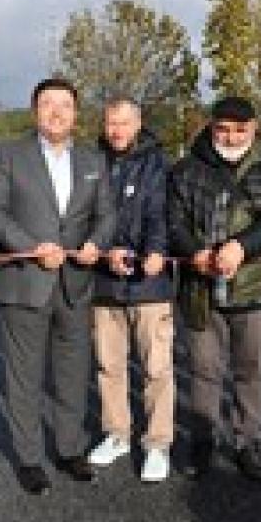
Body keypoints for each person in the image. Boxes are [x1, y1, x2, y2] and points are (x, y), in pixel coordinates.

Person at [0, 78, 116, 495]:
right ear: (35, 110)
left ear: (76, 113)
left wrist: (96, 243)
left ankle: (69, 449)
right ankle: (28, 458)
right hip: (26, 282)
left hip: (75, 284)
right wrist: (29, 246)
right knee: (24, 376)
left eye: (65, 105)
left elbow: (106, 215)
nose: (56, 112)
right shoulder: (9, 155)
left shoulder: (93, 160)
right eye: (47, 104)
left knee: (73, 373)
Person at [168, 97, 261, 481]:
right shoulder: (186, 169)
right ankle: (203, 439)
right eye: (223, 128)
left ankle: (248, 440)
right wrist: (195, 251)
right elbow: (174, 221)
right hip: (201, 287)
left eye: (241, 129)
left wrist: (243, 245)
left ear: (254, 128)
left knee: (252, 369)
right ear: (211, 126)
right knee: (204, 369)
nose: (232, 136)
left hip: (255, 286)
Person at [86, 98, 175, 483]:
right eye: (111, 123)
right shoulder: (92, 163)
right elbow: (85, 216)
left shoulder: (157, 164)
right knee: (109, 366)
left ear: (138, 124)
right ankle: (117, 433)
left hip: (149, 283)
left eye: (124, 123)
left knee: (156, 368)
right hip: (105, 282)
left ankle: (156, 443)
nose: (116, 131)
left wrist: (154, 250)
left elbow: (161, 214)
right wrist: (106, 252)